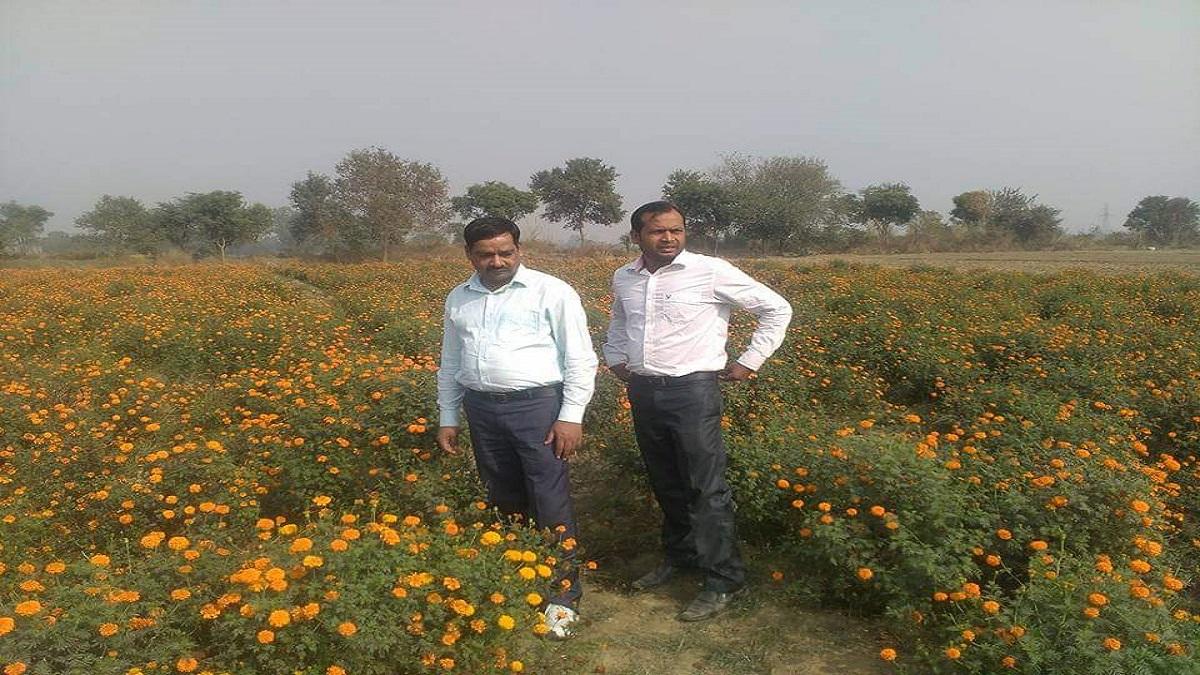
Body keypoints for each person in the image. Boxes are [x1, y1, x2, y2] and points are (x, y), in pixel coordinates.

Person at [602, 201, 793, 622]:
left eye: (676, 230)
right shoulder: (625, 278)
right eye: (657, 232)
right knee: (665, 480)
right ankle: (681, 556)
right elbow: (620, 323)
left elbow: (776, 308)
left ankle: (724, 578)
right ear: (637, 236)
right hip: (644, 390)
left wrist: (750, 360)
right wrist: (615, 356)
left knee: (705, 486)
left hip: (693, 391)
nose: (668, 238)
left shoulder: (710, 270)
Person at [436, 216, 598, 639]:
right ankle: (519, 581)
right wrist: (448, 417)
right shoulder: (459, 297)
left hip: (538, 408)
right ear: (470, 255)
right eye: (486, 254)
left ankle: (562, 596)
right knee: (502, 497)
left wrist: (571, 415)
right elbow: (450, 362)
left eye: (505, 252)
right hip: (481, 409)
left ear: (519, 250)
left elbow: (580, 357)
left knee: (549, 498)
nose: (497, 261)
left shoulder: (552, 292)